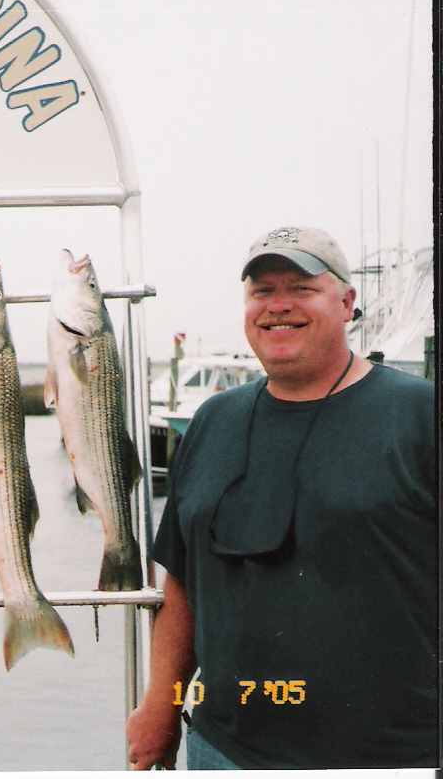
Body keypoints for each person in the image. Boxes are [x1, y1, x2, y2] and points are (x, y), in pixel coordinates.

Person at [126, 226, 437, 769]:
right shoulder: (210, 420)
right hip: (221, 750)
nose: (279, 306)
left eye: (301, 288)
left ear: (346, 303)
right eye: (262, 291)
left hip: (388, 756)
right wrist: (160, 704)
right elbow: (181, 581)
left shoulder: (418, 414)